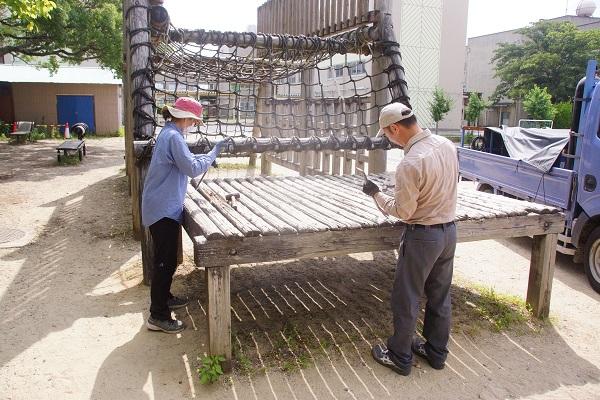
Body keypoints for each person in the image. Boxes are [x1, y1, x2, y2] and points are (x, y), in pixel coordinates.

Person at [363, 102, 458, 376]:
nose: (389, 140)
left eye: (387, 134)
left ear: (395, 129)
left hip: (422, 237)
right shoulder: (447, 145)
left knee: (407, 297)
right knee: (440, 295)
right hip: (448, 232)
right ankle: (436, 353)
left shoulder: (411, 162)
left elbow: (404, 212)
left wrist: (376, 194)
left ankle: (399, 356)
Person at [142, 97, 225, 334]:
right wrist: (213, 153)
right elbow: (192, 168)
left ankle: (165, 298)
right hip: (163, 208)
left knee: (166, 259)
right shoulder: (174, 137)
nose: (194, 124)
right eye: (194, 121)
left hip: (160, 204)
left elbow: (185, 161)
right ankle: (157, 315)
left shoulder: (169, 133)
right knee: (165, 262)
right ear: (186, 118)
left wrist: (205, 157)